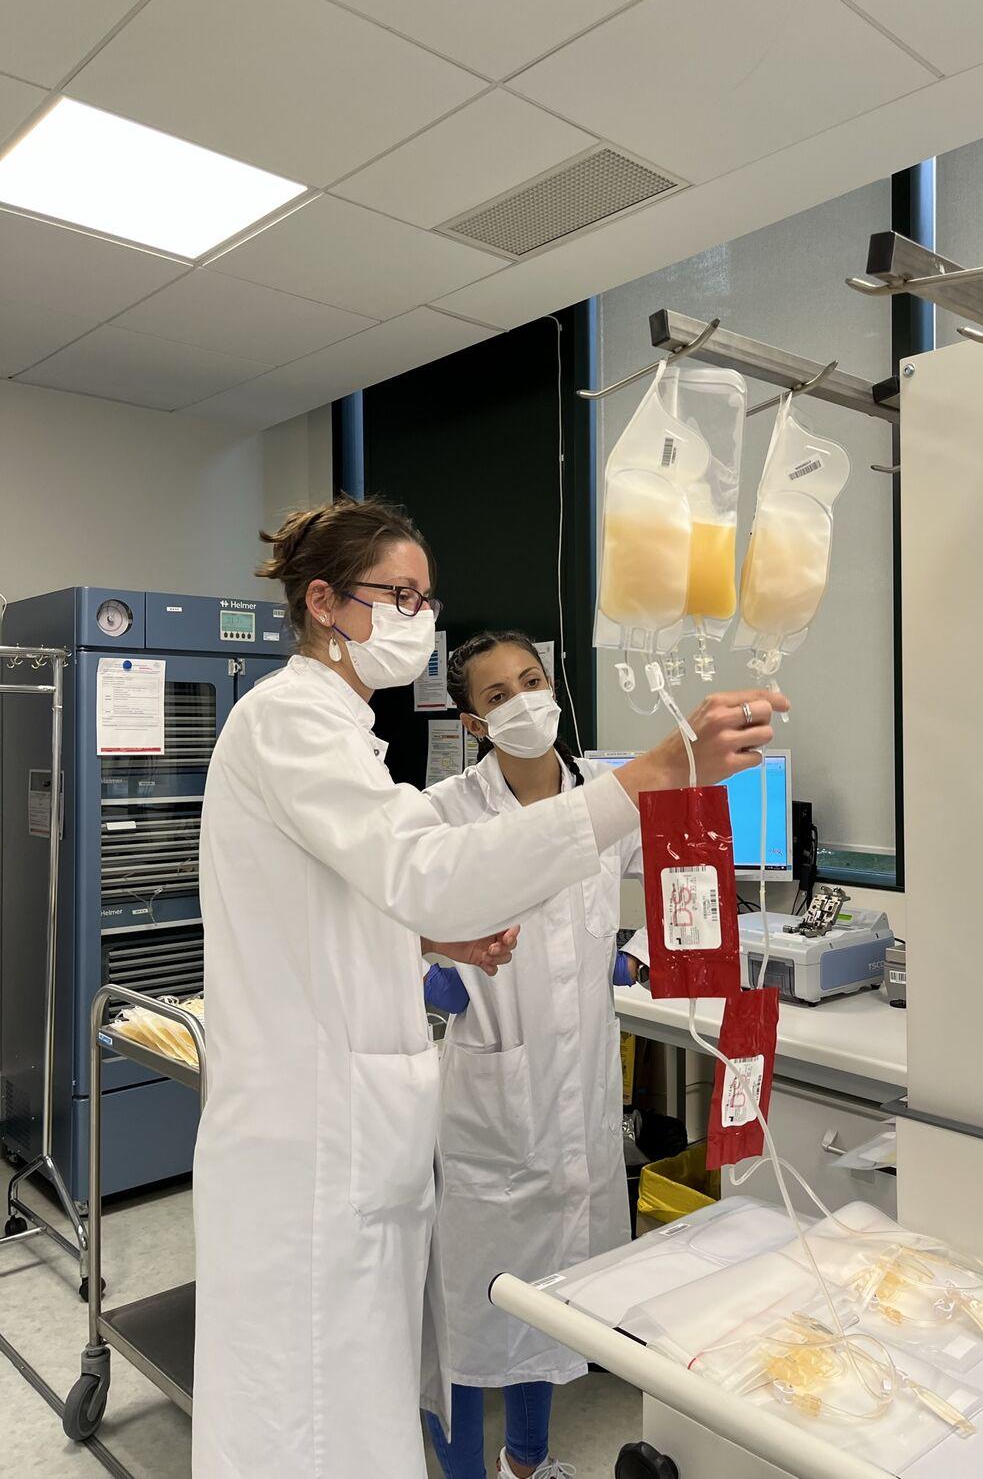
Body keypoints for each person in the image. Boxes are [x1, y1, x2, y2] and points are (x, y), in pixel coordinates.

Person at [192, 494, 787, 1479]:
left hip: (371, 1131)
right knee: (316, 1416)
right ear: (325, 603)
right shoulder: (292, 722)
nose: (419, 617)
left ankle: (524, 1458)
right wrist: (653, 772)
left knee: (361, 1393)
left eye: (426, 599)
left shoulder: (335, 731)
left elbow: (343, 892)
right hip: (318, 1145)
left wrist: (425, 933)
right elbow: (426, 866)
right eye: (399, 595)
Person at [422, 631, 643, 1479]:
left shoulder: (605, 804)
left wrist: (637, 955)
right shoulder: (445, 812)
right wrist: (433, 970)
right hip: (492, 1095)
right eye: (497, 695)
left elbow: (673, 882)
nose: (523, 702)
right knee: (471, 1306)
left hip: (577, 1091)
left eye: (531, 680)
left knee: (552, 1298)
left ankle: (528, 1461)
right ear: (475, 724)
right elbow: (385, 923)